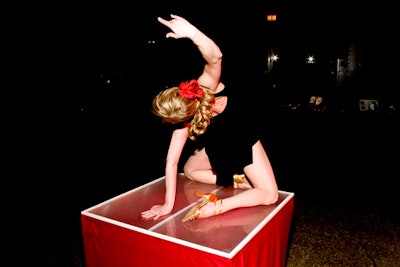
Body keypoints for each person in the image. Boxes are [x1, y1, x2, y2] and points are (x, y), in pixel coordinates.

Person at [141, 14, 278, 222]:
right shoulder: (195, 100)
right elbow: (172, 163)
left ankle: (220, 203)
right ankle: (232, 187)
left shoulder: (198, 99)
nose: (164, 124)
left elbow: (215, 56)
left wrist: (192, 33)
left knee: (269, 194)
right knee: (190, 170)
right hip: (225, 143)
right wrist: (167, 205)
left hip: (240, 139)